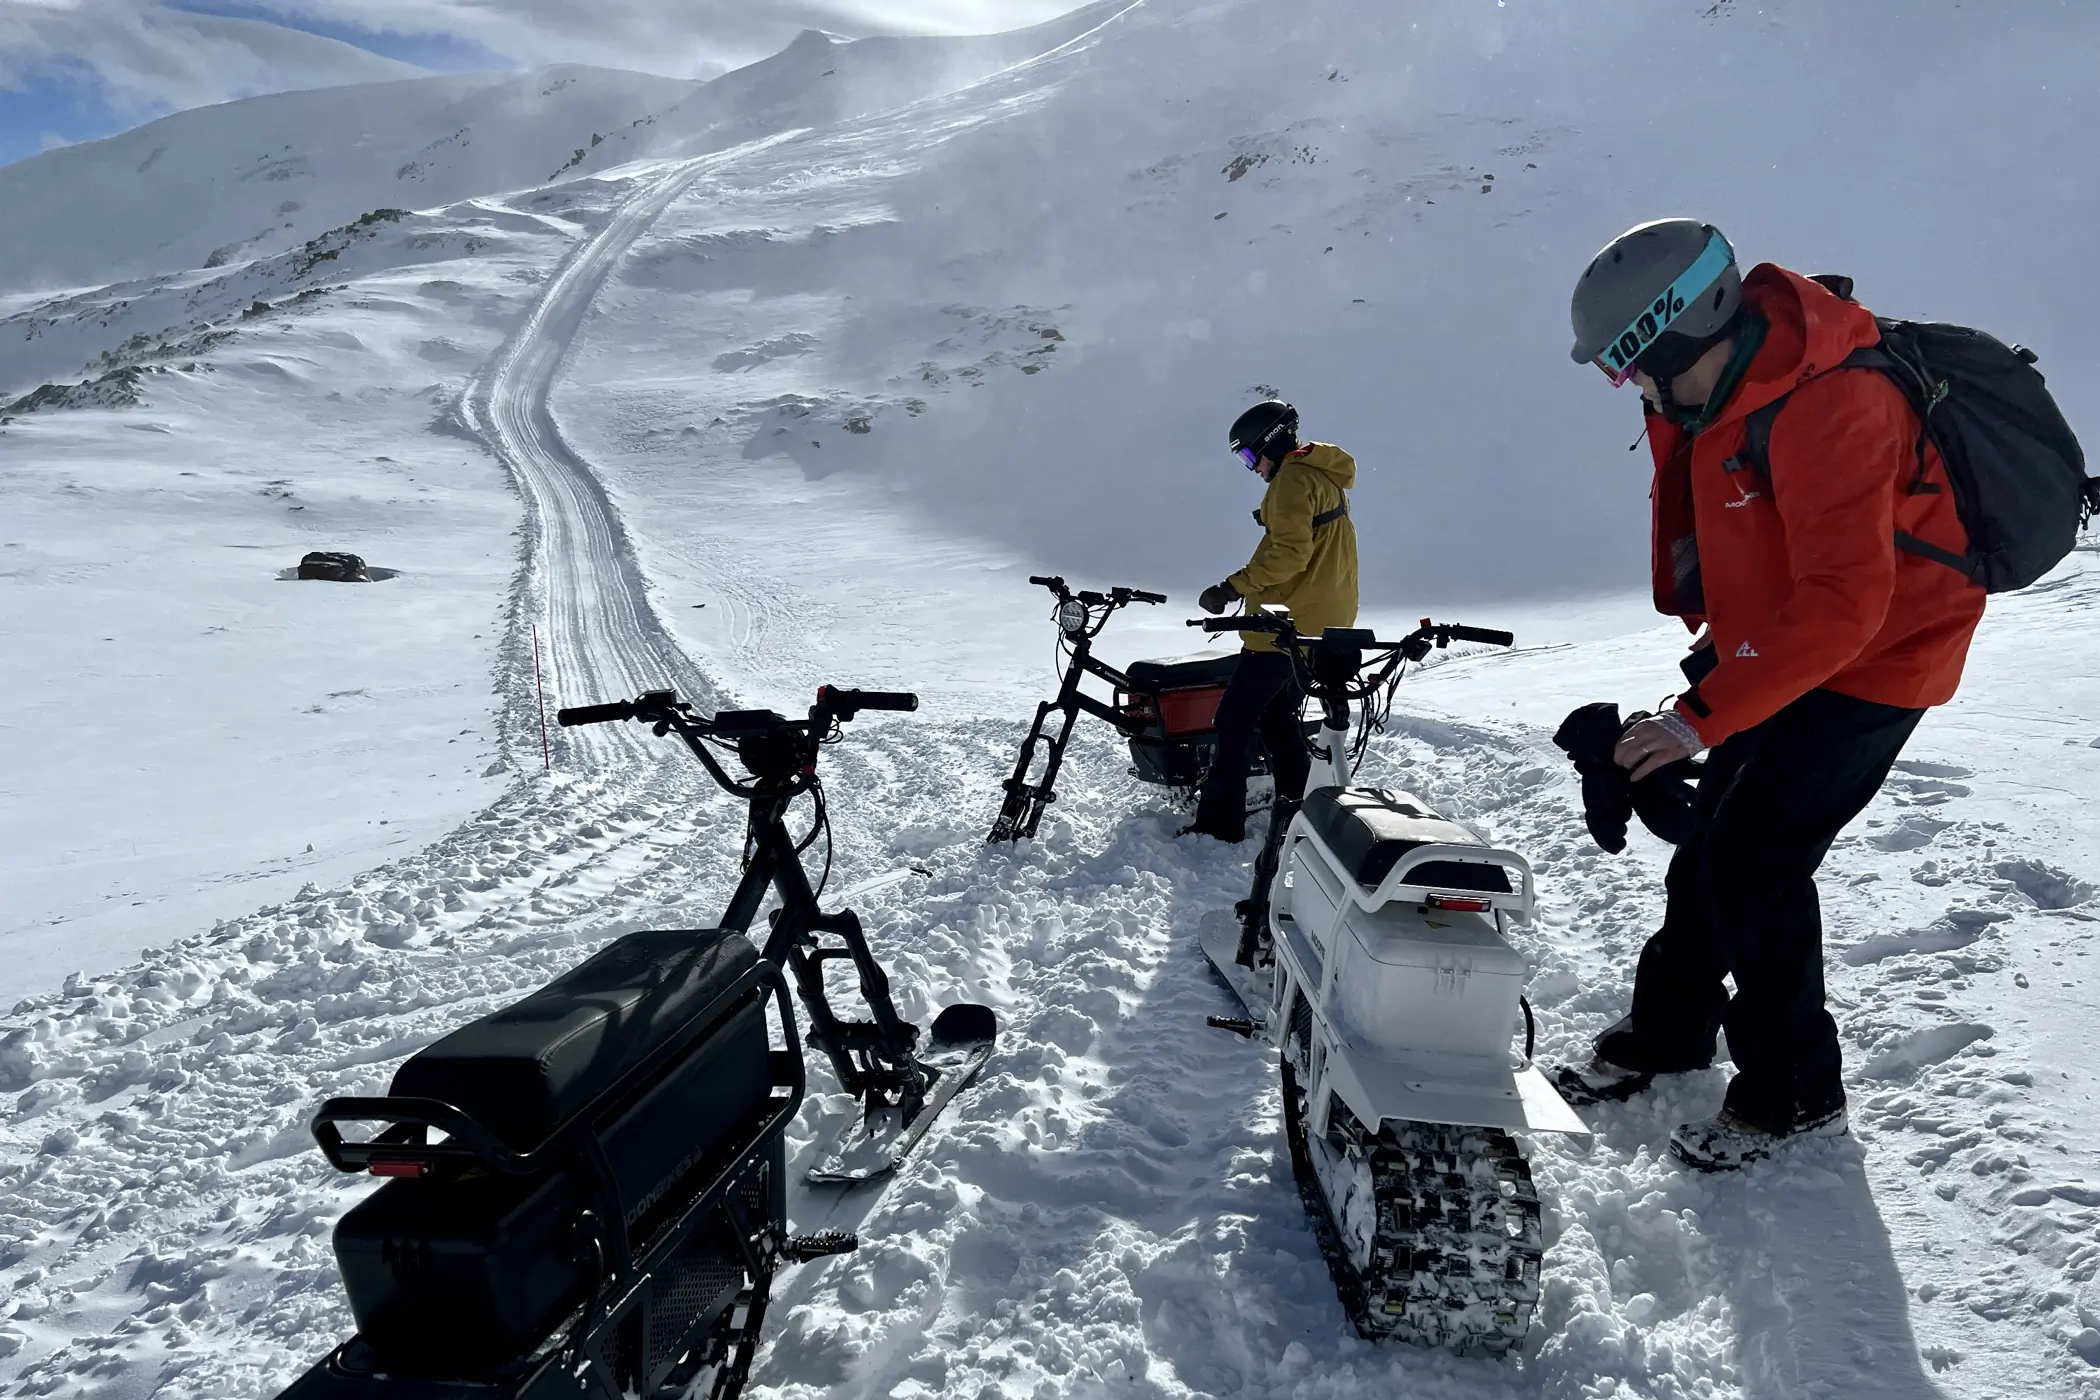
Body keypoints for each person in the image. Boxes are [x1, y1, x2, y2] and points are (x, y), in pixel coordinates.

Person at [1565, 218, 1987, 1171]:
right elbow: (1767, 561)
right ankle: (1671, 1033)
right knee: (1715, 836)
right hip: (1787, 649)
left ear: (1677, 337)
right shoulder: (1720, 394)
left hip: (1879, 661)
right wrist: (1715, 679)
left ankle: (1797, 1089)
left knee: (1756, 857)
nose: (1630, 390)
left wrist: (1693, 719)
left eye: (1631, 368)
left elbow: (1845, 605)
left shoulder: (1835, 403)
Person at [1183, 400, 1359, 843]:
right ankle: (1298, 808)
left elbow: (1288, 555)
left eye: (1248, 456)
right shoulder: (1321, 475)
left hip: (1285, 628)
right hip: (1322, 622)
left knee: (1234, 719)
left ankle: (1218, 826)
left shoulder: (1292, 482)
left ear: (1271, 443)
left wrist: (1231, 588)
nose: (1252, 468)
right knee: (1278, 717)